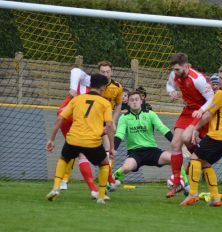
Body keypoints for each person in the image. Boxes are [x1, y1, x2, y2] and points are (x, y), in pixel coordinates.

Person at [45, 74, 115, 204]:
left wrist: (51, 139)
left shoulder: (77, 99)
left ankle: (56, 188)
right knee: (104, 164)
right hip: (92, 142)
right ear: (102, 88)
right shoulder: (105, 103)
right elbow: (109, 126)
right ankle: (100, 196)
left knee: (63, 159)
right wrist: (111, 147)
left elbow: (60, 118)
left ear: (90, 85)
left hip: (73, 140)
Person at [60, 61, 122, 198]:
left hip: (104, 124)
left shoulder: (117, 87)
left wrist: (113, 120)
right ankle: (101, 185)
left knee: (108, 152)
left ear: (112, 72)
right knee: (83, 153)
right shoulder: (92, 85)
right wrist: (72, 91)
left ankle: (106, 183)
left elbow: (119, 104)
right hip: (90, 125)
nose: (105, 74)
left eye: (108, 71)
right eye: (102, 72)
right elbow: (76, 71)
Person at [179, 64, 222, 207]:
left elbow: (207, 115)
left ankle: (192, 194)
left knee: (194, 158)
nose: (219, 80)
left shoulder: (221, 94)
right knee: (206, 163)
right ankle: (216, 197)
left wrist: (195, 128)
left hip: (218, 135)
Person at [165, 53, 214, 198]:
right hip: (188, 110)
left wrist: (201, 110)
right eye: (174, 70)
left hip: (201, 111)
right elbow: (168, 85)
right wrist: (171, 92)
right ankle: (177, 183)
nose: (175, 73)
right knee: (175, 144)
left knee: (187, 138)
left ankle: (197, 156)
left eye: (178, 70)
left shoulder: (198, 79)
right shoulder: (174, 75)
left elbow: (212, 98)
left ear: (187, 66)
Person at [110, 91, 174, 189]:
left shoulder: (150, 114)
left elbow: (163, 129)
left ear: (141, 101)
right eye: (132, 100)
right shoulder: (124, 117)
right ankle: (110, 183)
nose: (134, 102)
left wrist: (175, 143)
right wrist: (113, 149)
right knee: (126, 167)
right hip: (135, 152)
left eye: (136, 99)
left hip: (152, 150)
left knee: (175, 159)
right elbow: (119, 134)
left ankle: (185, 185)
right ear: (128, 103)